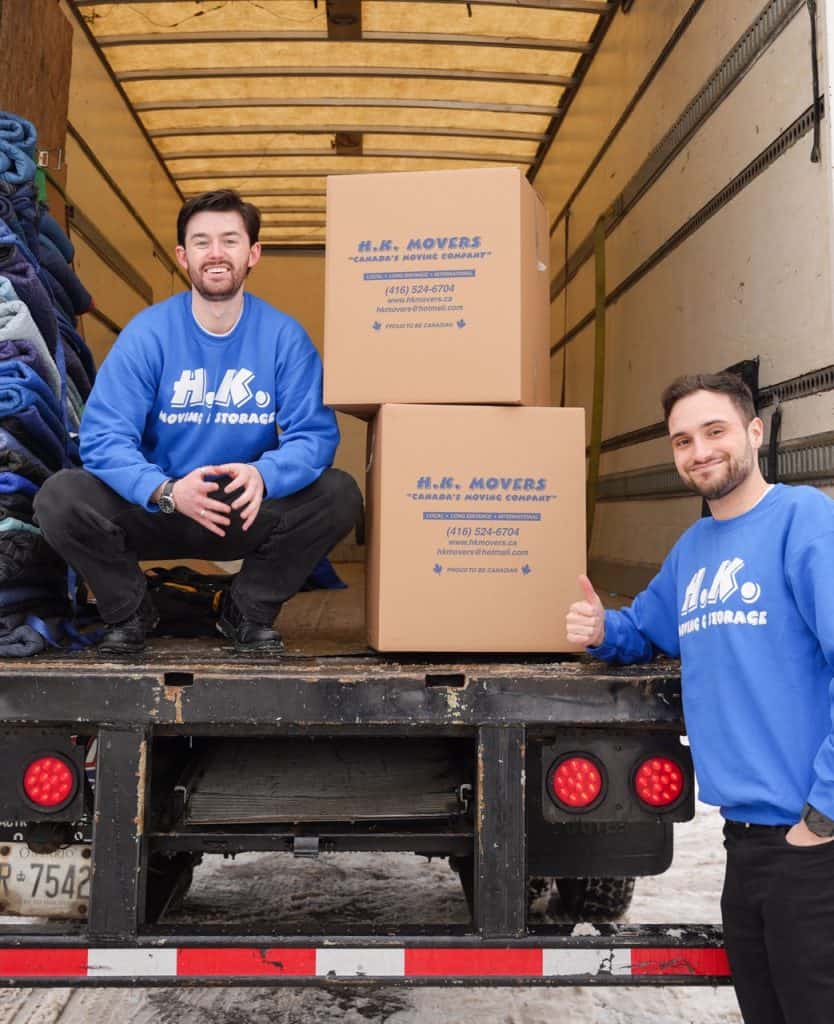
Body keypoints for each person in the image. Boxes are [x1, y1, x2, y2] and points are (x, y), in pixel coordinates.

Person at [566, 372, 834, 1024]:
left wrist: (823, 814)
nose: (699, 451)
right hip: (745, 845)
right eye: (683, 440)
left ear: (754, 431)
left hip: (811, 844)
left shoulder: (806, 521)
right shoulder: (694, 551)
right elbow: (649, 630)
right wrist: (604, 631)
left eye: (714, 431)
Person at [35, 189, 361, 656]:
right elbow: (105, 438)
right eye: (202, 241)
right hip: (158, 504)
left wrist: (264, 475)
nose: (216, 253)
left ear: (253, 254)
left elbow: (314, 435)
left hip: (241, 507)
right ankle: (129, 613)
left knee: (339, 493)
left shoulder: (284, 337)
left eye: (229, 240)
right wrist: (165, 490)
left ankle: (245, 612)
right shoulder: (148, 333)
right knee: (61, 496)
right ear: (183, 256)